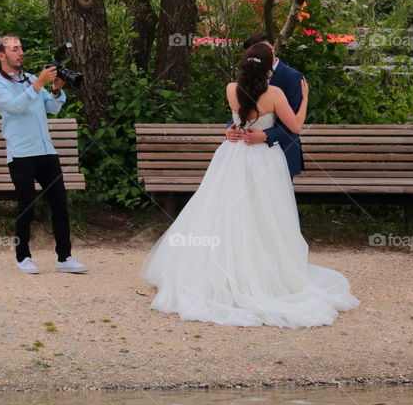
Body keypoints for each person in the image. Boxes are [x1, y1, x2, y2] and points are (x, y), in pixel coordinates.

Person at [140, 42, 358, 327]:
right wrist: (304, 99)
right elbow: (296, 127)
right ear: (269, 67)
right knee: (264, 214)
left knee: (225, 210)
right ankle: (262, 273)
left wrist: (232, 129)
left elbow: (238, 119)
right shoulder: (275, 93)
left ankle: (221, 267)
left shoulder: (231, 89)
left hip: (233, 155)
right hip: (263, 160)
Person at [0, 35, 88, 274]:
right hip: (21, 154)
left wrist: (54, 90)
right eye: (14, 49)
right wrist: (39, 84)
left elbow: (51, 108)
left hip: (46, 152)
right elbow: (17, 107)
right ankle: (23, 257)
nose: (20, 52)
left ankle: (65, 258)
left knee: (60, 205)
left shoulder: (32, 79)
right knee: (26, 205)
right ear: (2, 55)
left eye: (21, 47)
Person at [225, 33, 304, 178]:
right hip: (243, 150)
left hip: (280, 150)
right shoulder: (244, 77)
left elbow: (292, 124)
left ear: (272, 49)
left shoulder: (293, 77)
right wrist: (230, 129)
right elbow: (242, 109)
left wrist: (266, 136)